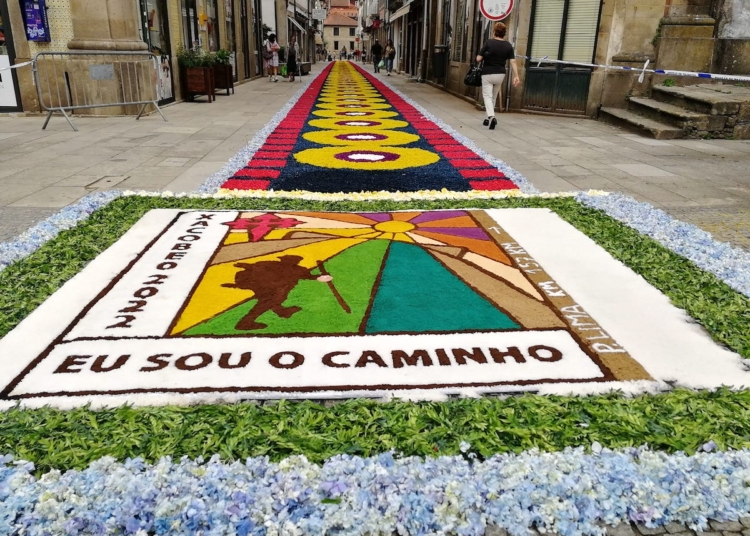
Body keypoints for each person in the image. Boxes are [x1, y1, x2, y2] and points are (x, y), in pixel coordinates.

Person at [476, 22, 520, 130]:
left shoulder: (488, 43)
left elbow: (478, 59)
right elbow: (513, 61)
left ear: (494, 32)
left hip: (487, 73)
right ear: (504, 33)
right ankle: (488, 118)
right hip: (500, 73)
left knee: (487, 96)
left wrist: (484, 55)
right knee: (493, 96)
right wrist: (516, 75)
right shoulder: (508, 45)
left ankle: (491, 117)